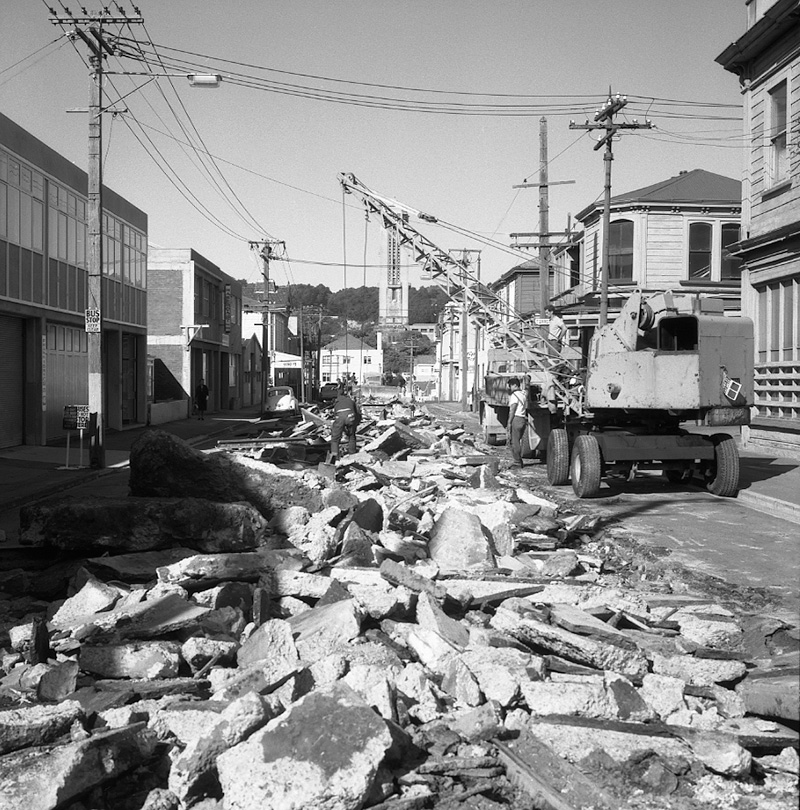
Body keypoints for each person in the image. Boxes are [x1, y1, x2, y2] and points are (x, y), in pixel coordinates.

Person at [329, 382, 361, 461]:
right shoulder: (350, 401)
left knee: (335, 439)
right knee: (352, 436)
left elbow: (337, 417)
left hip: (340, 417)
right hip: (351, 416)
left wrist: (342, 428)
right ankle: (352, 456)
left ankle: (335, 457)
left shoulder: (337, 403)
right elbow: (358, 413)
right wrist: (355, 425)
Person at [507, 377, 528, 468]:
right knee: (517, 441)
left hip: (516, 418)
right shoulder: (522, 394)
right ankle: (519, 461)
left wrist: (509, 422)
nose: (509, 388)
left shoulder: (514, 395)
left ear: (515, 385)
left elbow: (512, 409)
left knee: (514, 441)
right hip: (523, 419)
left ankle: (517, 462)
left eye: (510, 386)